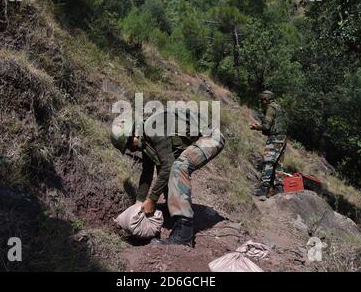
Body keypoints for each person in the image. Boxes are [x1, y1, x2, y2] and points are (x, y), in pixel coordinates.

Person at [111, 108, 225, 247]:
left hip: (211, 137)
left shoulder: (152, 128)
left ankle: (184, 234)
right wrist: (139, 202)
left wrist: (152, 199)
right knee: (164, 168)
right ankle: (172, 210)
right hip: (202, 138)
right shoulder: (146, 141)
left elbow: (169, 165)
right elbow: (147, 173)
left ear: (134, 134)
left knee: (178, 166)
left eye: (129, 146)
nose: (132, 150)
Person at [250, 91, 287, 198]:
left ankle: (263, 189)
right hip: (283, 138)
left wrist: (256, 127)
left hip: (275, 138)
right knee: (278, 164)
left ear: (266, 99)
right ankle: (279, 188)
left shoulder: (271, 108)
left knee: (268, 162)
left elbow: (266, 126)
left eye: (262, 100)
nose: (262, 102)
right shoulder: (280, 108)